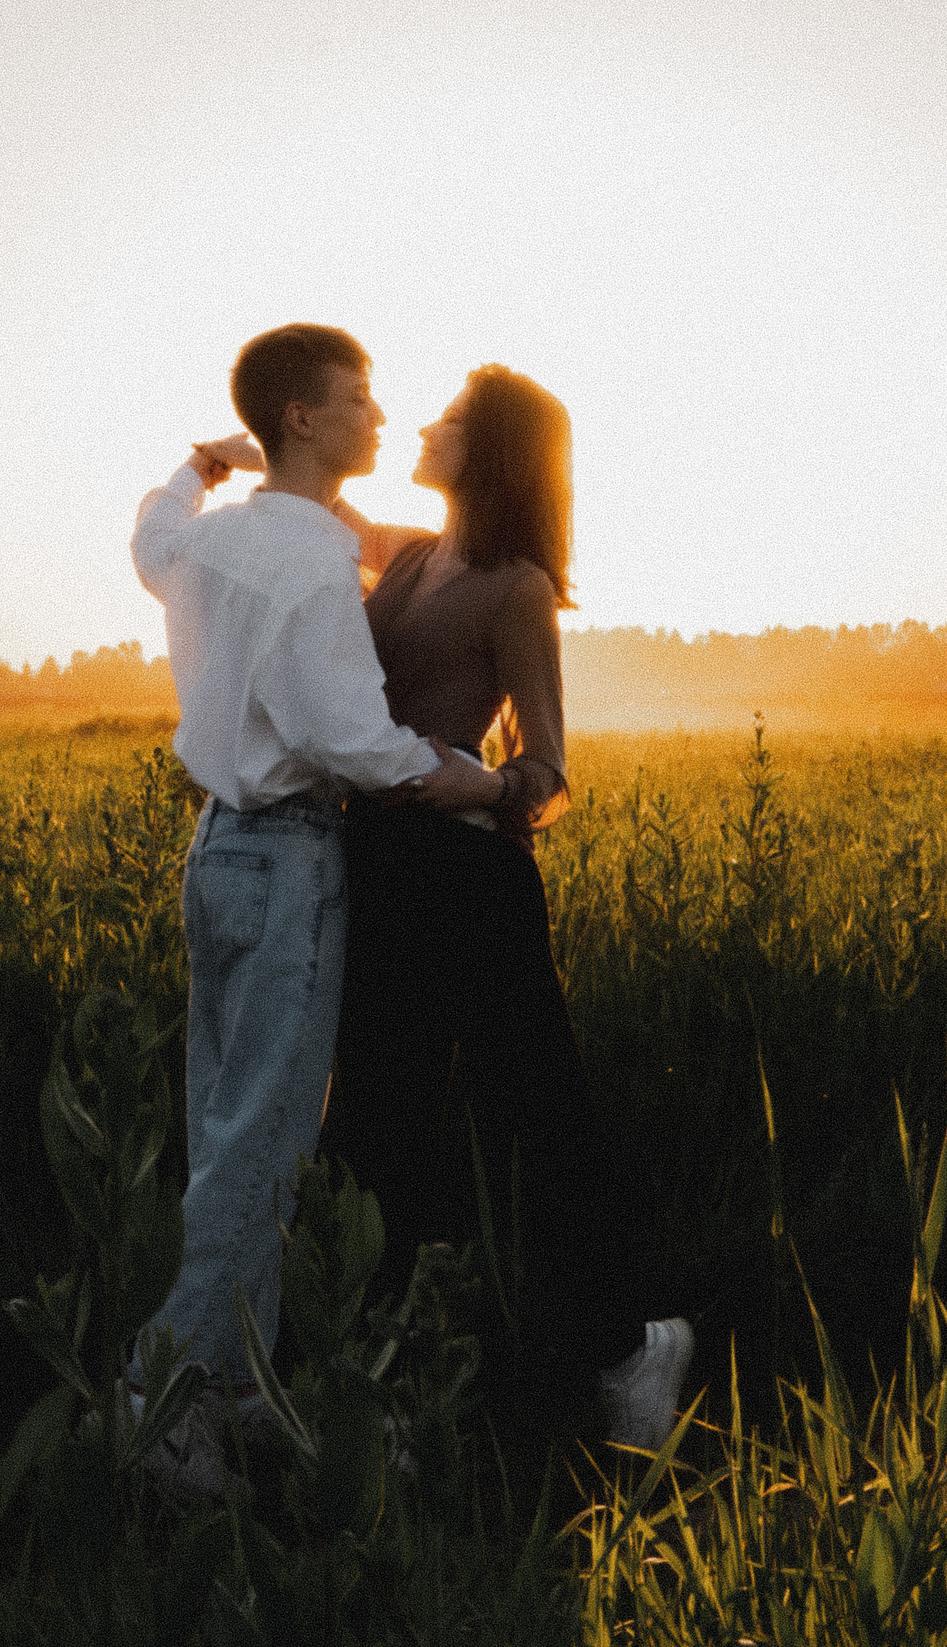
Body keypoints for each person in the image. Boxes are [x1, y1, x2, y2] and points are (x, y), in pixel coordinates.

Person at [127, 324, 498, 1487]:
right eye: (357, 398)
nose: (377, 418)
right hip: (289, 856)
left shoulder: (214, 543)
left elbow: (151, 537)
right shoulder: (312, 569)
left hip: (216, 853)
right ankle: (165, 1403)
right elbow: (348, 735)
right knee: (266, 1139)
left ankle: (235, 1387)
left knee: (221, 1116)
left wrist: (201, 463)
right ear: (301, 420)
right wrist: (472, 782)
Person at [314, 363, 694, 1450]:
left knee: (535, 1119)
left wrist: (473, 781)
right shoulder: (418, 554)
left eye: (449, 419)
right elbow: (320, 510)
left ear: (486, 452)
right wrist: (241, 458)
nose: (424, 426)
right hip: (381, 867)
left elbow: (551, 774)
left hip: (471, 880)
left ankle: (630, 1348)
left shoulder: (516, 588)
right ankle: (374, 1386)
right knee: (377, 1126)